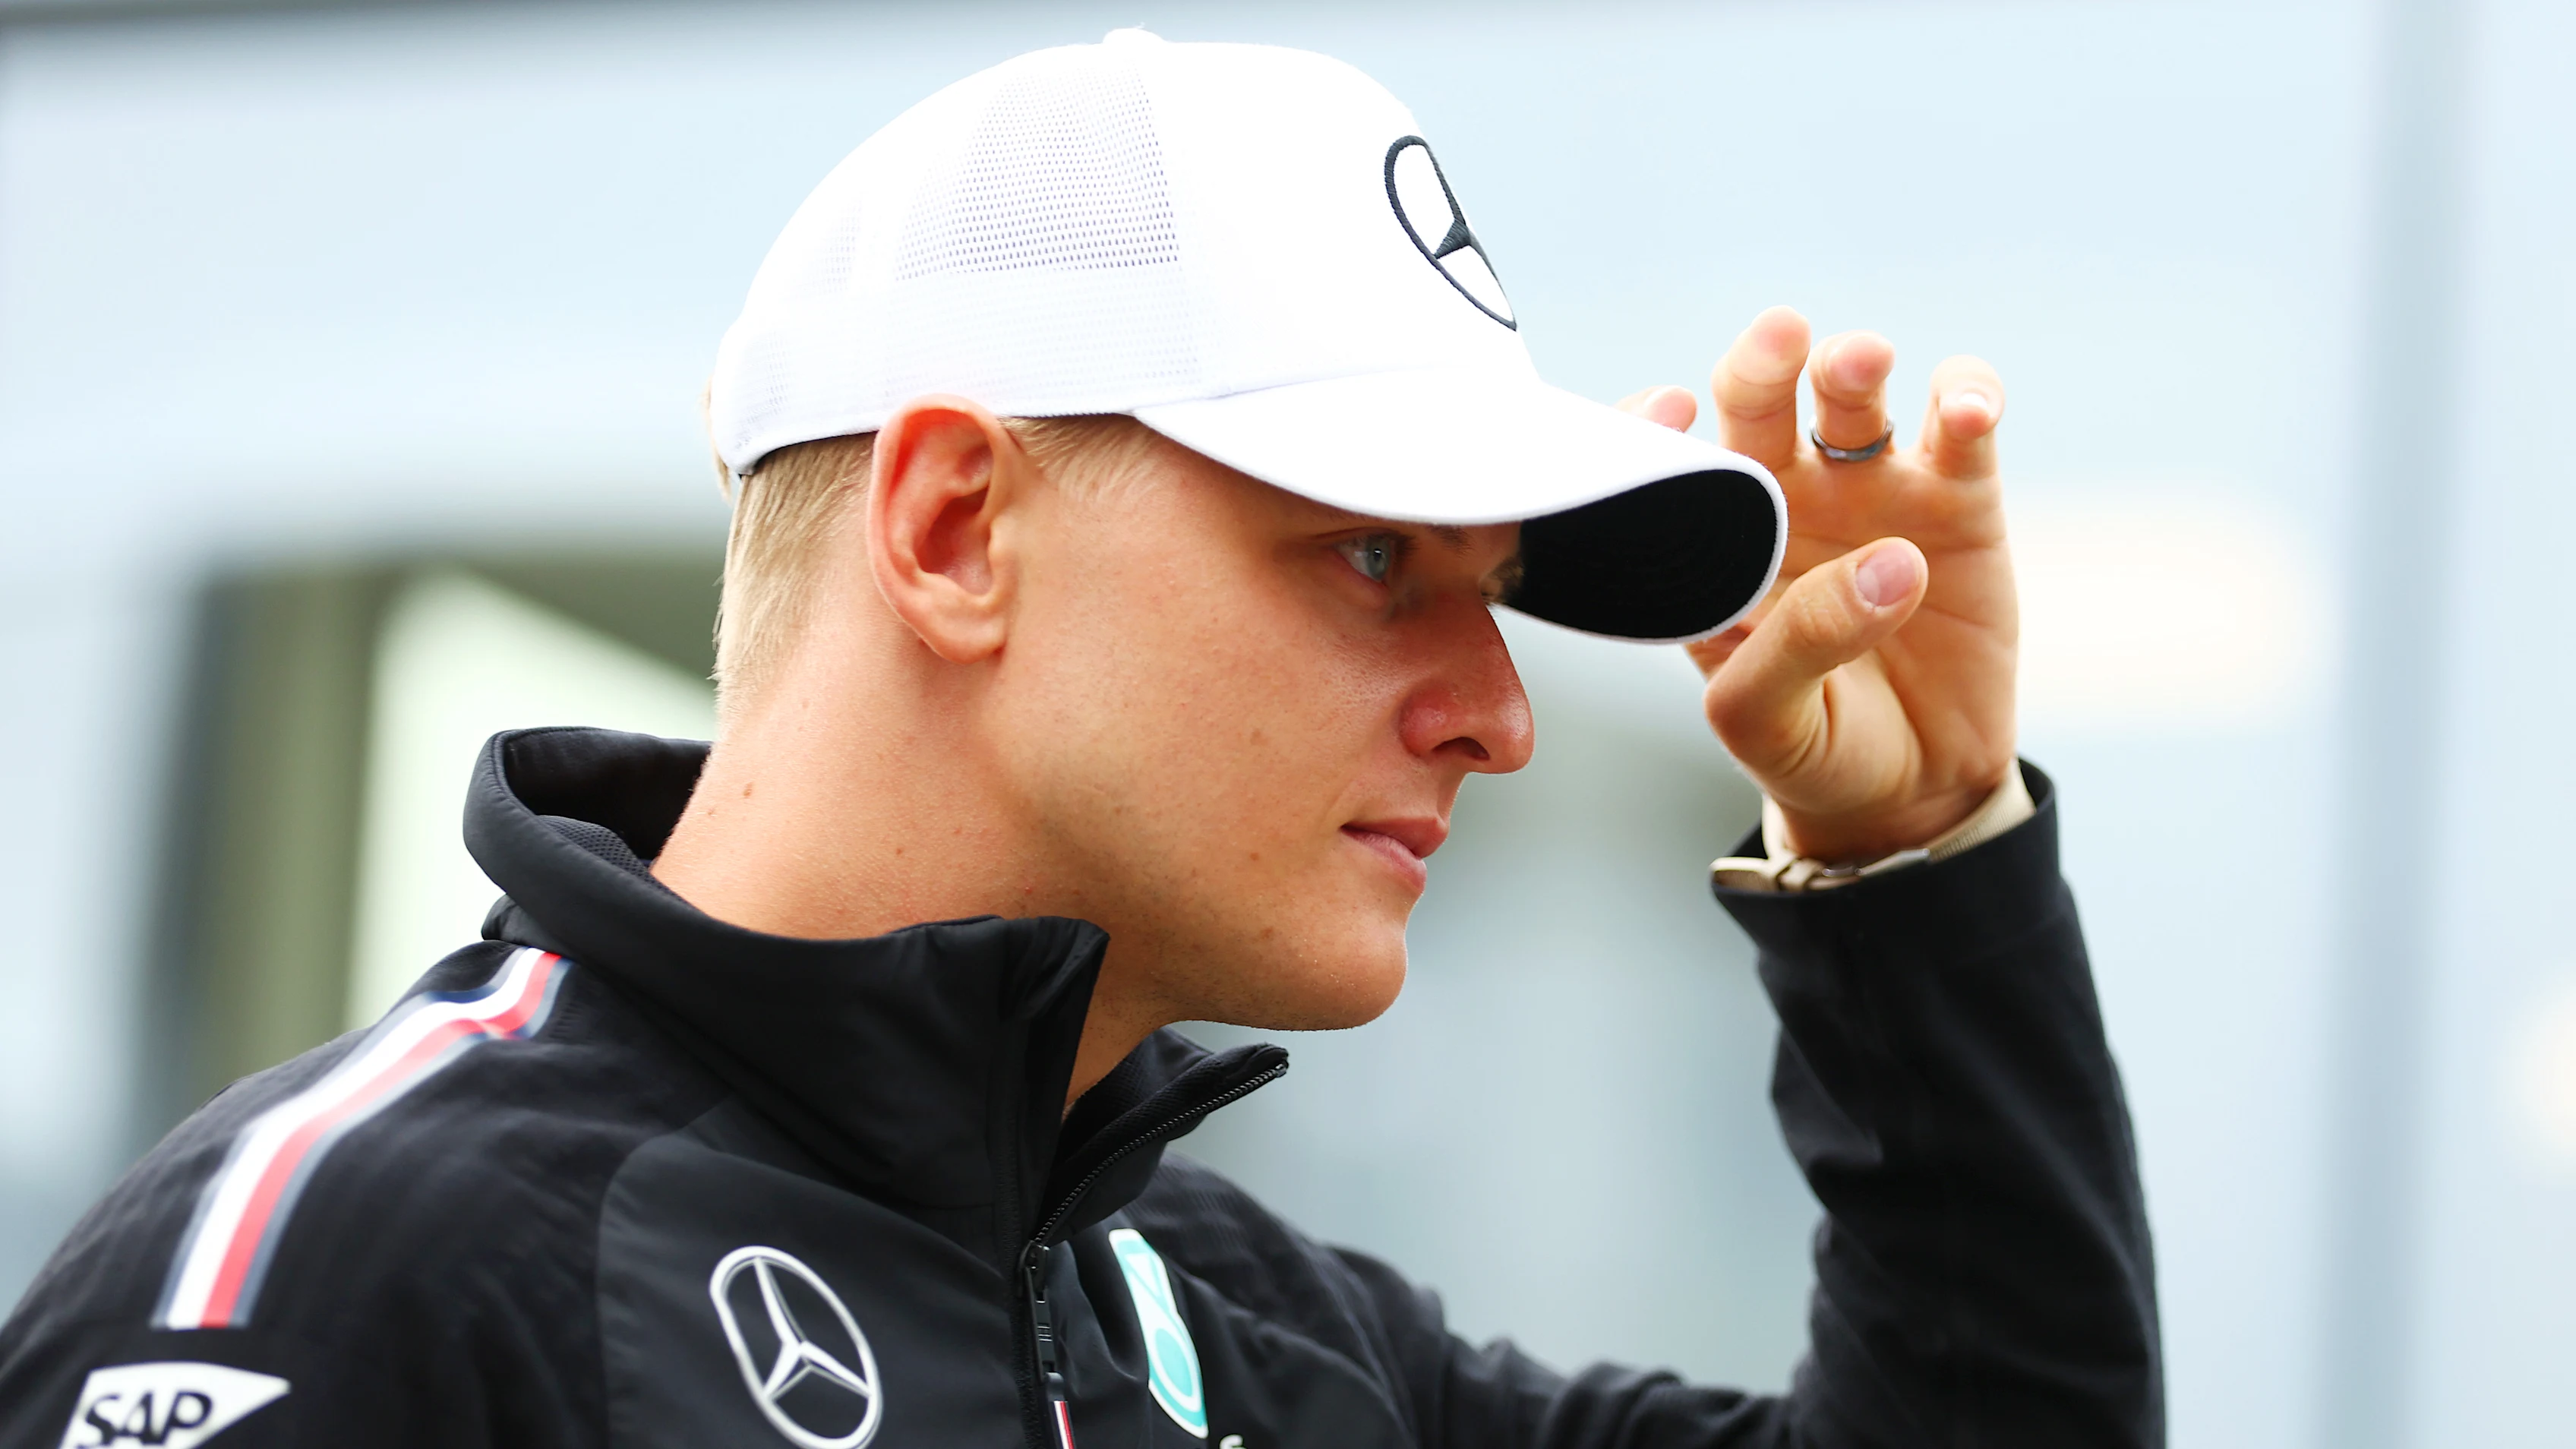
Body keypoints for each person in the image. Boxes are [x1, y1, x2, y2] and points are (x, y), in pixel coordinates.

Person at [0, 30, 2158, 1449]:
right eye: (1376, 560)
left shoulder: (1241, 1319)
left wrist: (1920, 865)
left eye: (1491, 592)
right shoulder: (341, 1277)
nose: (1501, 714)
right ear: (953, 528)